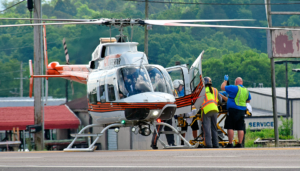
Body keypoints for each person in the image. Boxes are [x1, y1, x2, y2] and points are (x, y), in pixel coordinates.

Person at [221, 75, 251, 148]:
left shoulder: (234, 87)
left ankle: (230, 143)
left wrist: (225, 80)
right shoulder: (246, 90)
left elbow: (222, 87)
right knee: (240, 127)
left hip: (233, 110)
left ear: (236, 82)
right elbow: (248, 100)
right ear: (242, 82)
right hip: (242, 110)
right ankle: (239, 144)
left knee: (230, 126)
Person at [201, 77, 222, 148]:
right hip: (215, 110)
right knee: (214, 128)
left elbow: (198, 103)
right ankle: (216, 144)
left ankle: (209, 145)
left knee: (207, 129)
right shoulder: (215, 90)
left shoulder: (202, 91)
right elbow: (221, 101)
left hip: (206, 111)